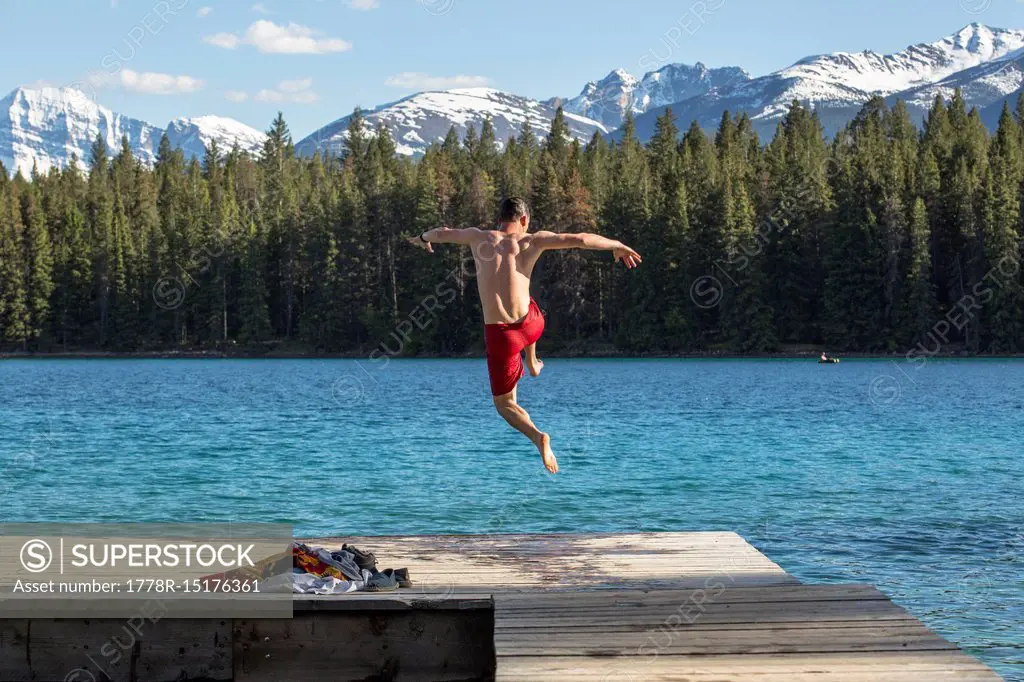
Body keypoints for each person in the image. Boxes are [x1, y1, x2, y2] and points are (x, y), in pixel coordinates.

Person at [408, 197, 642, 474]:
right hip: (531, 325)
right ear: (524, 220)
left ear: (500, 219)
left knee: (505, 405)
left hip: (502, 336)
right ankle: (531, 362)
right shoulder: (532, 240)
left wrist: (423, 238)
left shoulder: (477, 237)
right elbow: (580, 238)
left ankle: (538, 437)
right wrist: (617, 244)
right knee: (529, 304)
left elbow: (442, 234)